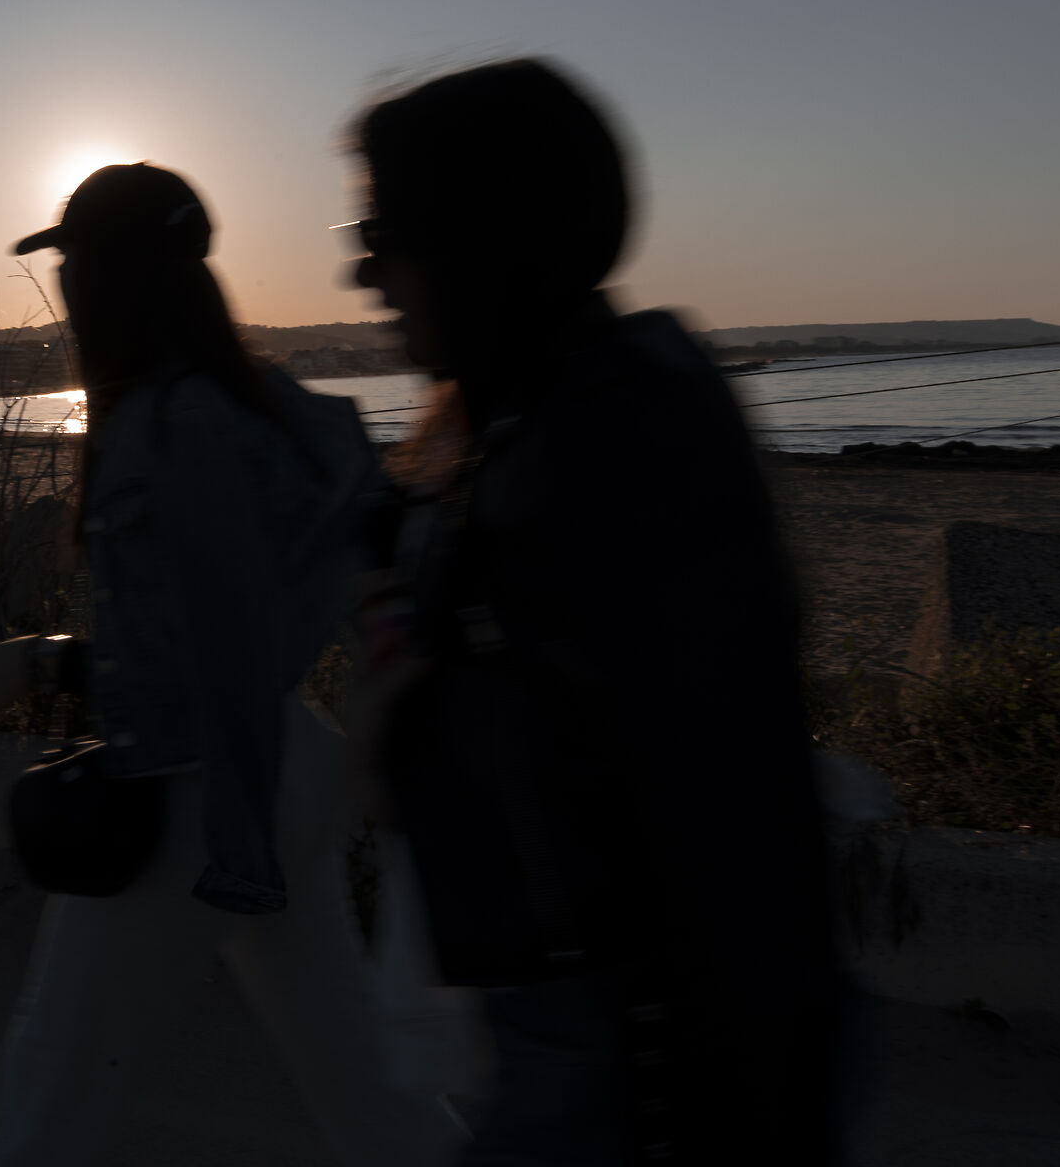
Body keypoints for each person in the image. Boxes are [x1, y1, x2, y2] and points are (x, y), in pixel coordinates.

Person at [341, 60, 848, 1165]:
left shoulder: (617, 437)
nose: (361, 271)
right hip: (558, 1032)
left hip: (637, 1066)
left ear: (481, 237)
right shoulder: (519, 429)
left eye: (386, 230)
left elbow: (724, 805)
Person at [0, 163, 456, 1167]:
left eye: (71, 267)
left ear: (106, 281)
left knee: (51, 1089)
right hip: (286, 766)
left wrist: (47, 663)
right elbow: (366, 556)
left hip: (201, 789)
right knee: (364, 1088)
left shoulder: (170, 425)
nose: (62, 292)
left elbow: (196, 658)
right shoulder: (277, 408)